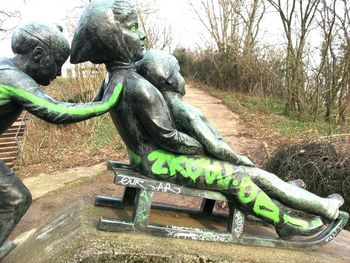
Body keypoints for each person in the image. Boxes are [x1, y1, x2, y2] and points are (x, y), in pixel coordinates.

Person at [70, 0, 344, 239]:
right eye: (132, 28)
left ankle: (294, 200)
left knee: (248, 173)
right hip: (160, 164)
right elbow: (169, 137)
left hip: (145, 160)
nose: (142, 34)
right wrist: (202, 149)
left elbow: (92, 108)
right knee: (238, 178)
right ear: (110, 39)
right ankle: (284, 222)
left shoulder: (112, 81)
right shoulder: (137, 86)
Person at [0, 21, 122, 258]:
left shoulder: (6, 68)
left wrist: (96, 100)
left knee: (16, 198)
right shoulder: (12, 78)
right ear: (37, 54)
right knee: (16, 199)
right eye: (56, 64)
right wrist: (107, 103)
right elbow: (55, 111)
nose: (57, 73)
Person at [136, 49, 254, 167]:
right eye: (179, 73)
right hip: (212, 163)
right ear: (169, 80)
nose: (183, 78)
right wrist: (240, 160)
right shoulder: (183, 111)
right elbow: (214, 147)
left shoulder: (160, 108)